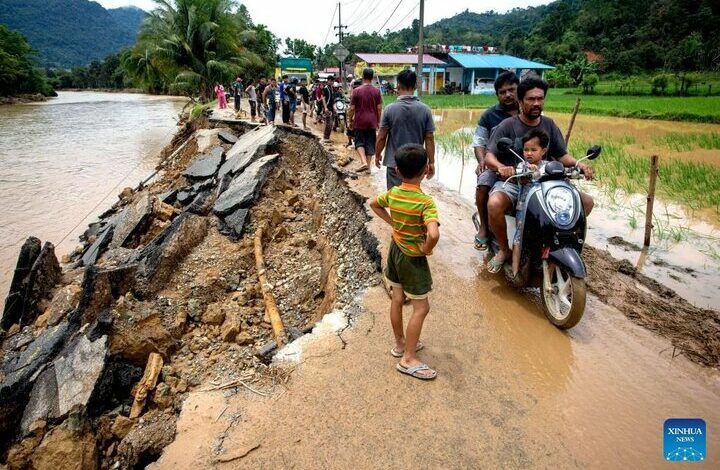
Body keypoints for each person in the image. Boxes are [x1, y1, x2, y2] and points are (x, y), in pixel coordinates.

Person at [485, 76, 595, 274]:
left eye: (540, 98)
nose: (536, 103)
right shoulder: (508, 126)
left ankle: (556, 241)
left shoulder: (550, 125)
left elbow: (562, 155)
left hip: (546, 181)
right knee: (494, 204)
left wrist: (581, 165)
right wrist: (502, 167)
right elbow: (489, 156)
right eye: (530, 99)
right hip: (515, 181)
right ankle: (504, 249)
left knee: (585, 202)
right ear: (520, 101)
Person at [369, 143, 440, 381]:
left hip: (395, 251)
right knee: (422, 308)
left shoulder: (394, 194)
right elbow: (433, 234)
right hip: (412, 257)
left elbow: (373, 203)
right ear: (426, 169)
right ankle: (408, 359)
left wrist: (392, 223)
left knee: (397, 298)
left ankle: (400, 344)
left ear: (397, 170)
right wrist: (426, 249)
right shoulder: (425, 202)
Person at [472, 71, 520, 251]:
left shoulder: (528, 111)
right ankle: (484, 227)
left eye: (511, 90)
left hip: (525, 166)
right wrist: (483, 161)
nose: (507, 94)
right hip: (496, 165)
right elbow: (479, 142)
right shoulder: (489, 116)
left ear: (519, 90)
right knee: (483, 184)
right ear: (497, 94)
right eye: (502, 92)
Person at [375, 69, 435, 189]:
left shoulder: (389, 110)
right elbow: (429, 138)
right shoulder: (425, 110)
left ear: (398, 85)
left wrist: (377, 155)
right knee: (412, 196)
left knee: (394, 196)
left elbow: (382, 137)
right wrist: (431, 162)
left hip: (395, 163)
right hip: (416, 164)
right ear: (416, 86)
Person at [510, 128, 549, 277]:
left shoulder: (548, 166)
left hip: (543, 208)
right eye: (526, 149)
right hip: (525, 207)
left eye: (534, 149)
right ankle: (514, 270)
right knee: (518, 236)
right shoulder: (522, 166)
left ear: (543, 151)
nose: (529, 153)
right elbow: (522, 178)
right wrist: (530, 171)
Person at [348, 68, 382, 173]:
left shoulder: (356, 91)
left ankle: (363, 162)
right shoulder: (377, 91)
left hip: (360, 121)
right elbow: (379, 108)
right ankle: (368, 169)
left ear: (363, 77)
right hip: (372, 121)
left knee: (359, 142)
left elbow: (352, 108)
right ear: (372, 78)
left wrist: (350, 120)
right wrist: (378, 121)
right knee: (370, 143)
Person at [322, 76, 336, 141]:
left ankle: (327, 137)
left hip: (331, 107)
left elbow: (332, 99)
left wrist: (333, 108)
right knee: (328, 123)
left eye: (332, 81)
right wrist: (325, 108)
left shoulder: (331, 88)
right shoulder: (325, 88)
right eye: (330, 81)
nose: (332, 82)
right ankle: (325, 137)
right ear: (328, 81)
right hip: (327, 108)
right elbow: (323, 98)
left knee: (331, 124)